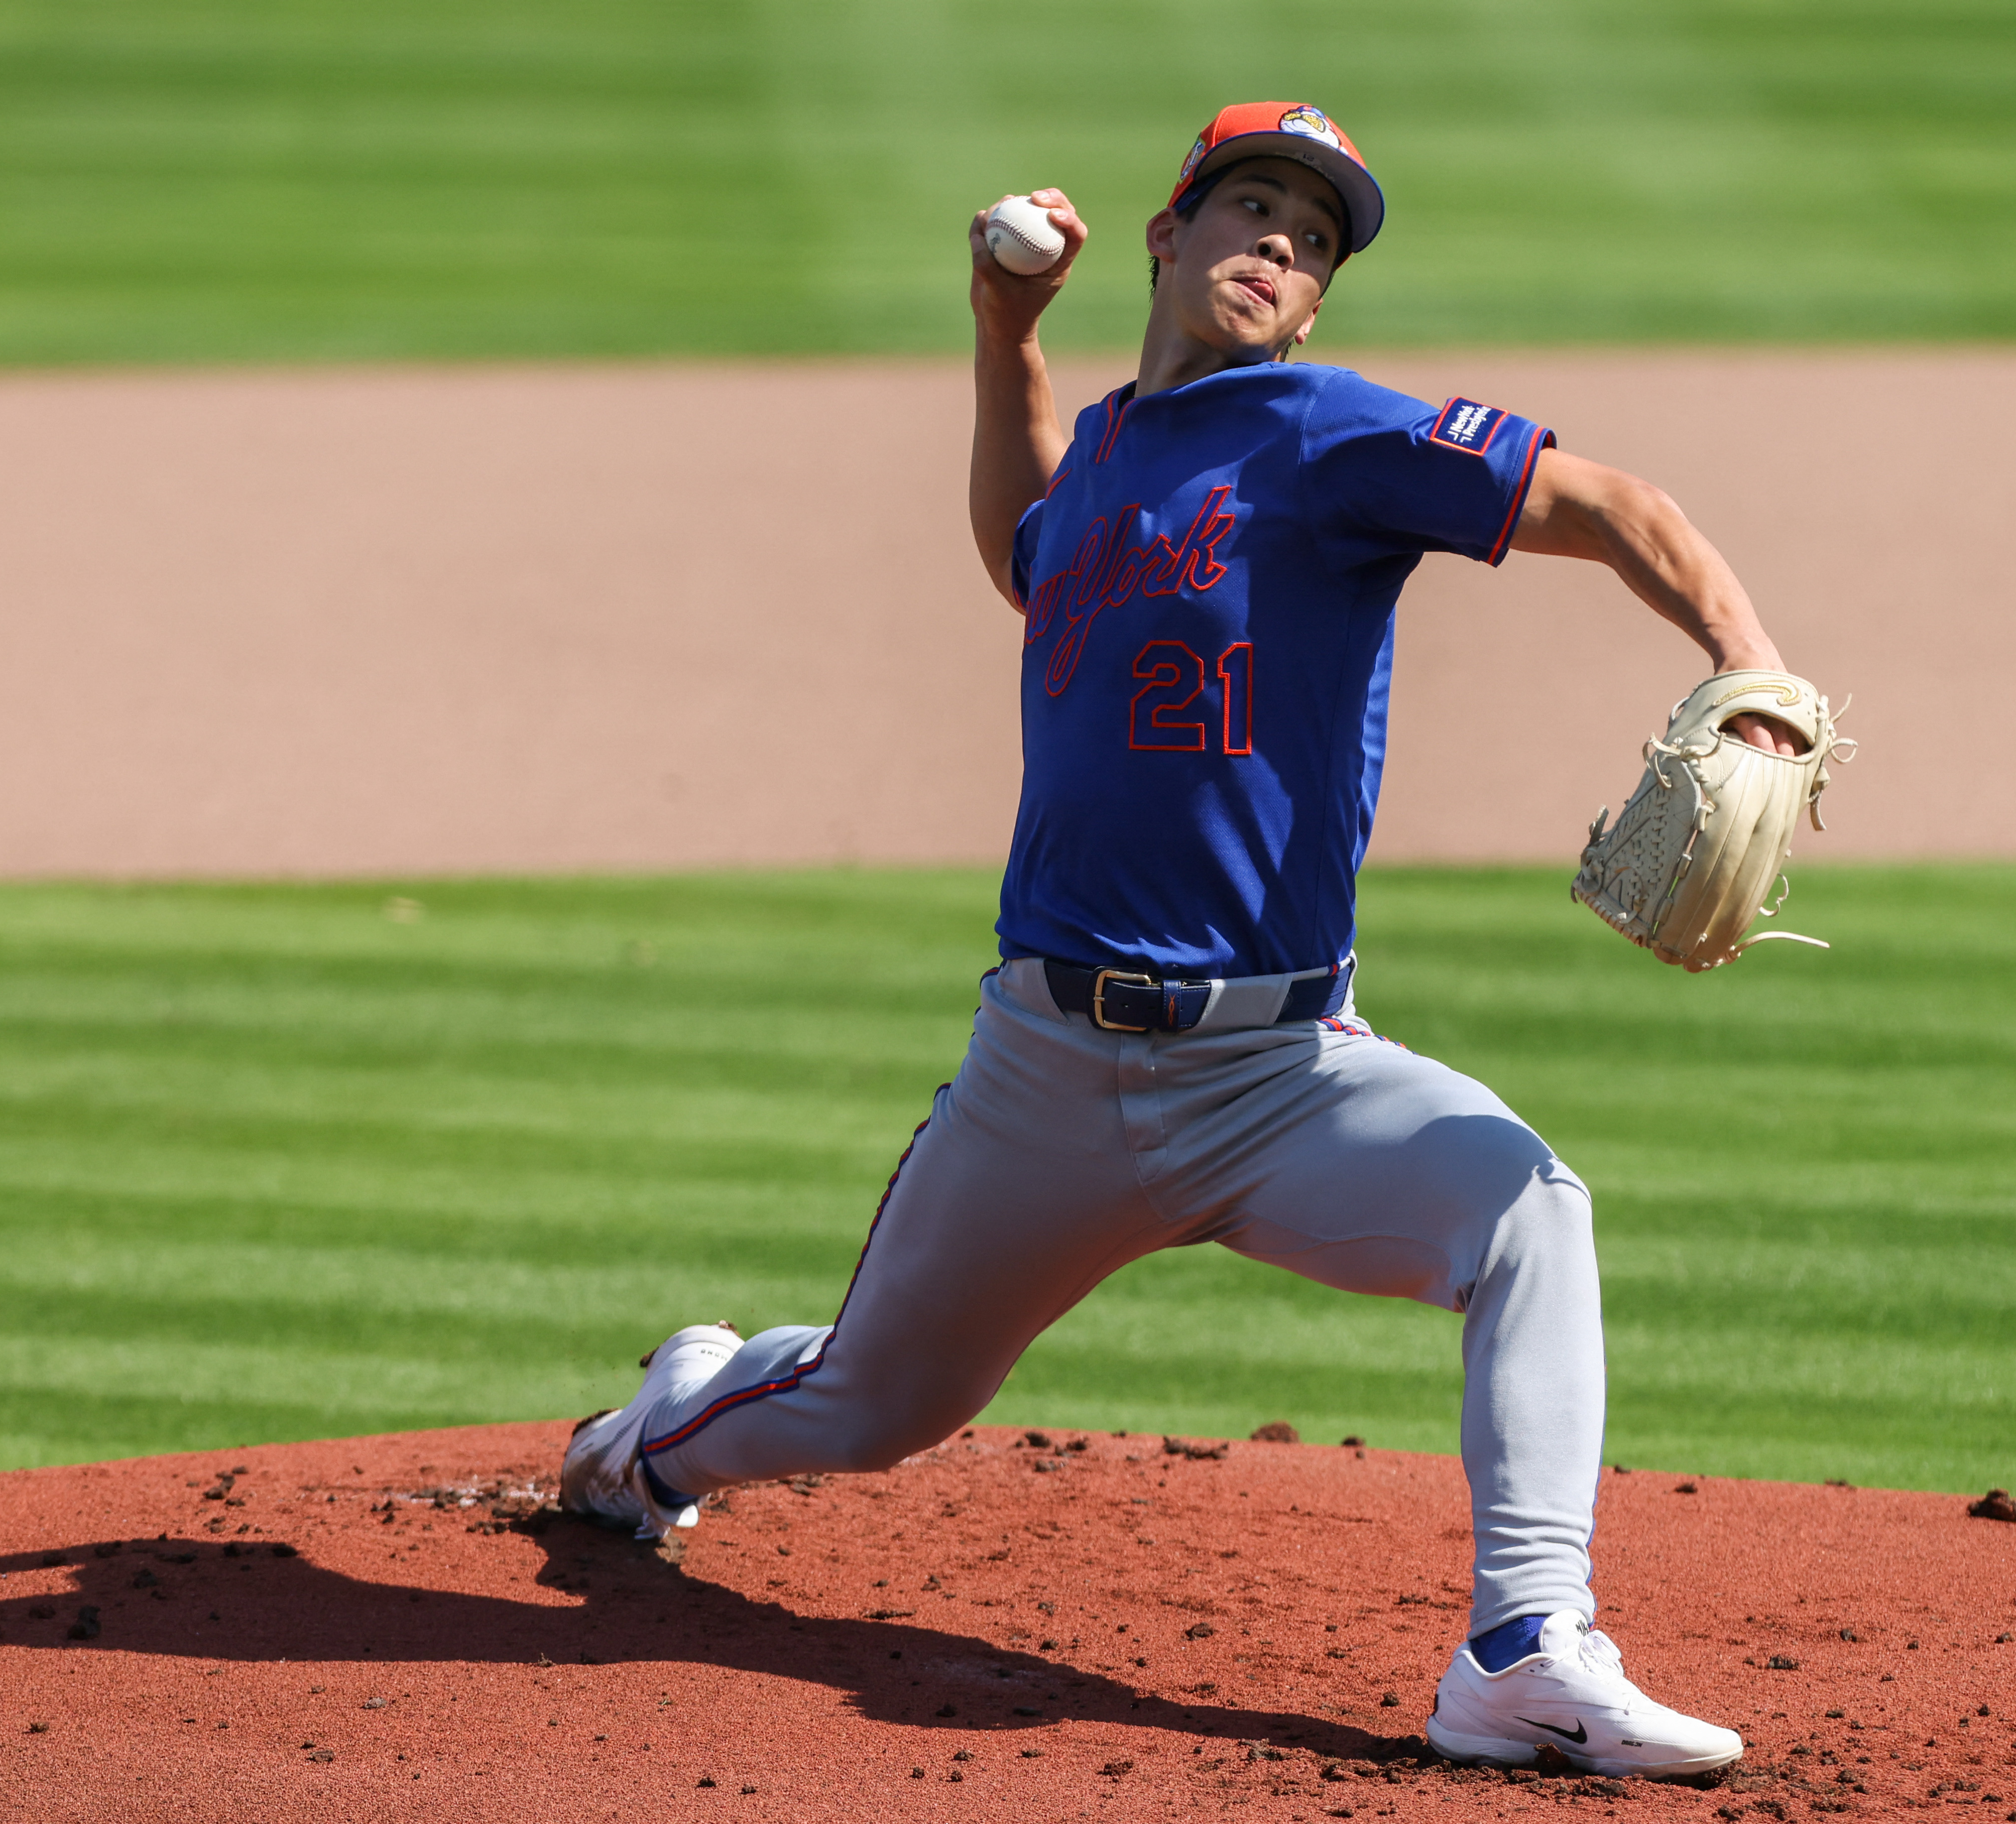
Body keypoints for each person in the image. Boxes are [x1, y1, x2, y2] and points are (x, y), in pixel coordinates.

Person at [564, 100, 1791, 1780]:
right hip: (1046, 1079)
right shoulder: (1122, 453)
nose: (1281, 241)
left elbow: (1609, 502)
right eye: (1252, 206)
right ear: (1169, 234)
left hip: (1280, 1073)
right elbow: (1026, 543)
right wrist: (1007, 333)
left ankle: (1523, 1649)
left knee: (1528, 1209)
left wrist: (1756, 671)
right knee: (871, 1407)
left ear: (1317, 298)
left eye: (1314, 233)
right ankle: (655, 1437)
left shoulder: (1333, 438)